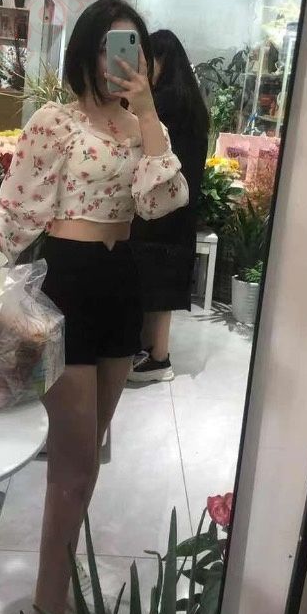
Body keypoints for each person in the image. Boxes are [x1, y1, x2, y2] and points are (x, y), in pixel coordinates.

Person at [0, 0, 189, 614]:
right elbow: (16, 203)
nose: (123, 61)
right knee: (73, 466)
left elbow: (162, 202)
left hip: (121, 285)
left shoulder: (142, 127)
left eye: (133, 48)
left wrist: (148, 114)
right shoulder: (54, 121)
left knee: (87, 458)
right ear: (87, 53)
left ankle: (58, 581)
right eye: (109, 47)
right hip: (68, 281)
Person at [128, 30, 209, 382]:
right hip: (181, 207)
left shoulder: (162, 105)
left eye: (149, 61)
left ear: (161, 61)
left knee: (153, 283)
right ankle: (153, 353)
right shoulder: (193, 105)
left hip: (161, 207)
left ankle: (159, 360)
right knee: (160, 287)